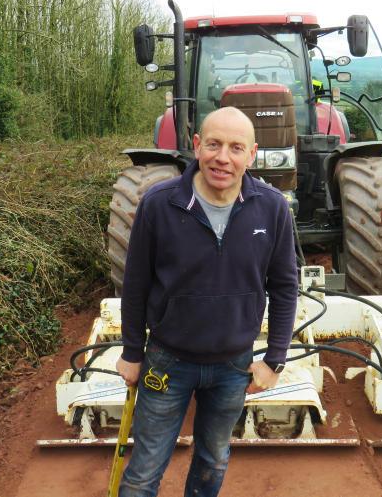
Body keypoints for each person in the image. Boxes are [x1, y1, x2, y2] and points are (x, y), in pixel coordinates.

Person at [115, 106, 298, 497]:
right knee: (145, 470)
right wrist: (132, 351)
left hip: (233, 367)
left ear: (251, 155)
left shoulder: (272, 207)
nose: (223, 157)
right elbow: (135, 283)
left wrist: (275, 359)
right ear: (197, 146)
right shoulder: (159, 204)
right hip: (167, 362)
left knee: (213, 460)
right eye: (213, 144)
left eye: (236, 148)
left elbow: (284, 286)